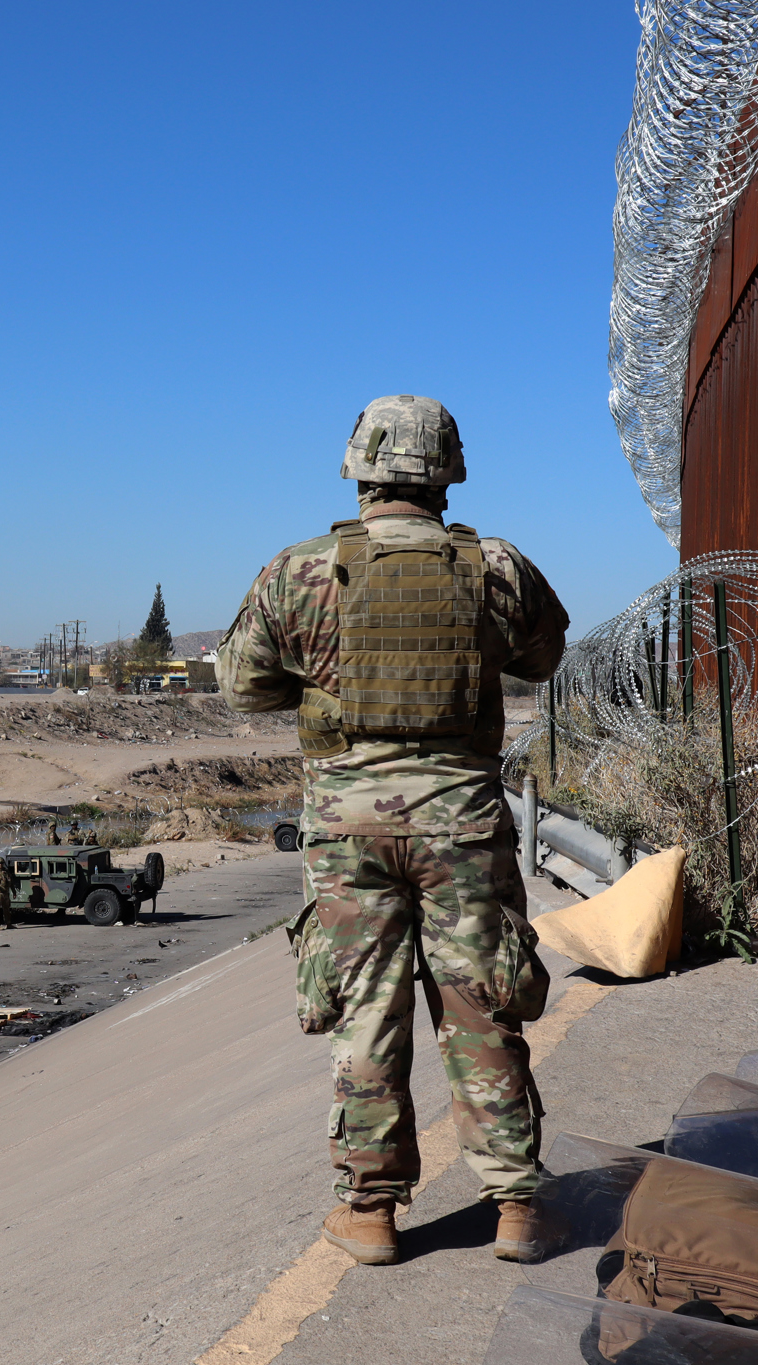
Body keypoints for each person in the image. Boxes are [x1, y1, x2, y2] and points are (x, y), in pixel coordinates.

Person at [217, 394, 569, 1267]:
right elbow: (544, 655)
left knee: (365, 1015)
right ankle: (517, 1206)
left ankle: (370, 1213)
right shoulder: (497, 566)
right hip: (463, 822)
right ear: (448, 468)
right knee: (482, 1003)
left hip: (348, 830)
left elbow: (243, 687)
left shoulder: (299, 570)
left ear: (361, 466)